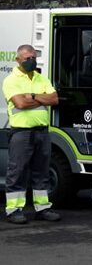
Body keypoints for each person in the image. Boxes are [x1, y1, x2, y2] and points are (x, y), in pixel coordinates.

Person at [3, 44, 60, 224]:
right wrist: (40, 98)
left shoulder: (41, 78)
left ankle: (42, 208)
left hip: (42, 132)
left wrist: (32, 96)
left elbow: (54, 99)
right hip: (21, 133)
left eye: (34, 57)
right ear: (18, 60)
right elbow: (20, 104)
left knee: (42, 172)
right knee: (17, 171)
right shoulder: (11, 80)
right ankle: (14, 210)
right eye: (28, 58)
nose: (31, 61)